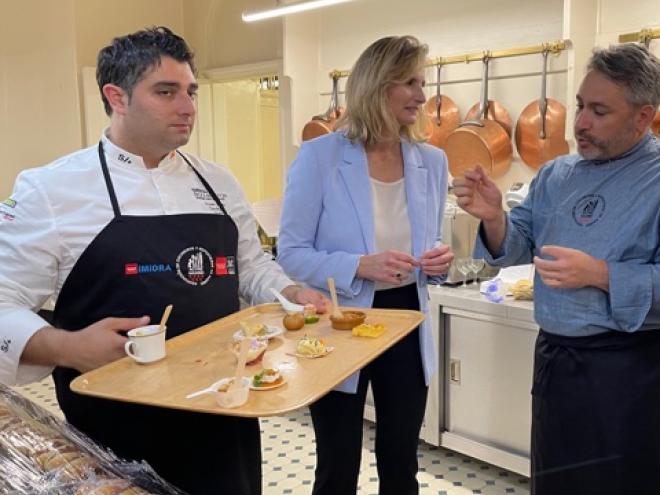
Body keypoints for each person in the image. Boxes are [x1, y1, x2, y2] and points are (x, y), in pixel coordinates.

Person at [0, 27, 329, 494]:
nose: (189, 107)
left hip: (225, 415)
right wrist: (68, 347)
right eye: (166, 92)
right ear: (116, 96)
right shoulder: (50, 191)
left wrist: (291, 292)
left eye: (191, 91)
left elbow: (251, 266)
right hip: (114, 431)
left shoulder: (217, 182)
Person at [452, 43, 660, 494]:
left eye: (599, 111)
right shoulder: (557, 174)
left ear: (643, 116)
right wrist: (495, 217)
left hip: (630, 373)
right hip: (556, 364)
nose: (581, 123)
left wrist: (601, 274)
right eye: (580, 107)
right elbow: (516, 249)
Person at [276, 35, 453, 495]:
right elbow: (290, 252)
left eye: (422, 82)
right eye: (409, 82)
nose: (421, 94)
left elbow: (433, 244)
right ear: (377, 86)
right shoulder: (320, 157)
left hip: (405, 323)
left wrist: (438, 262)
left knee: (401, 462)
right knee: (337, 465)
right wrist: (360, 265)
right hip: (340, 322)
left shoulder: (431, 161)